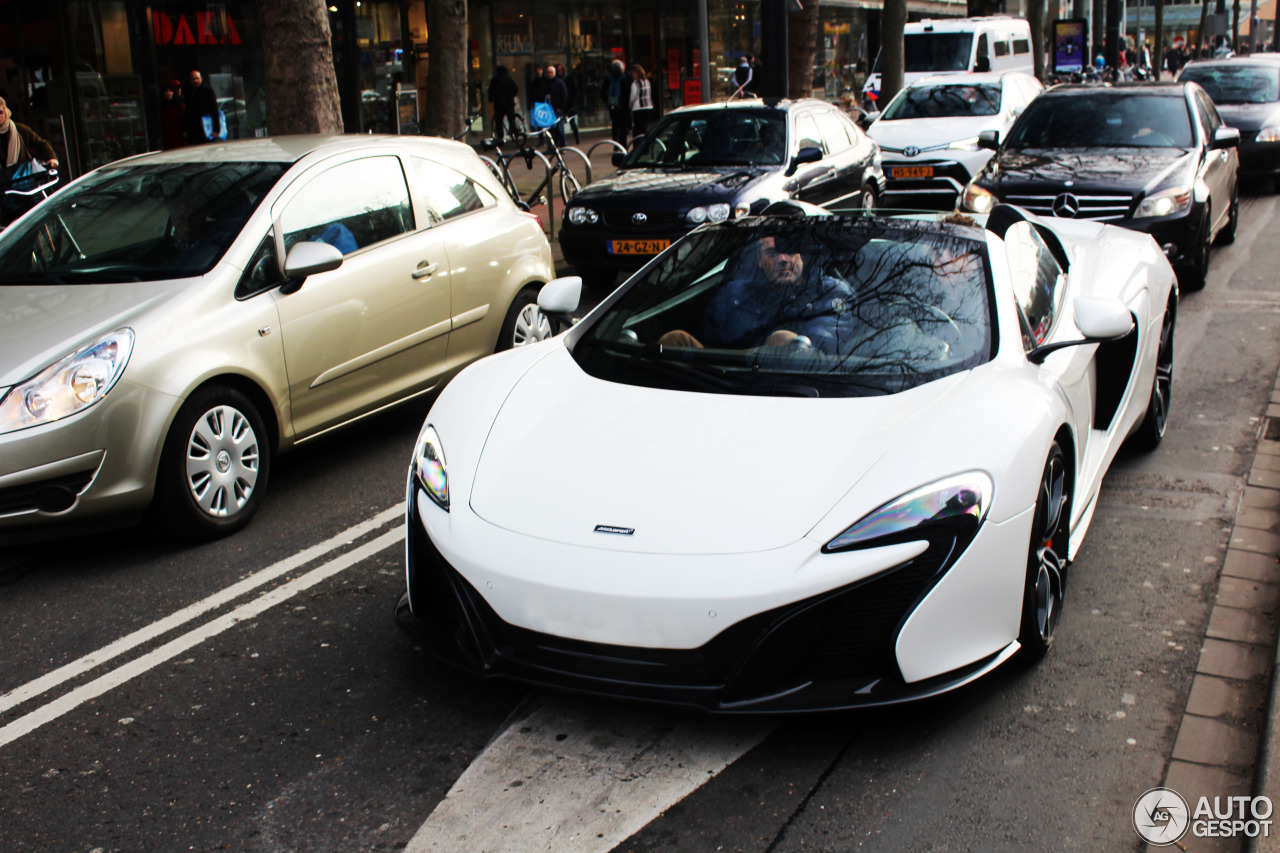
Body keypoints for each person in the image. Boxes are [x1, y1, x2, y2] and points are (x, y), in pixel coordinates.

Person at [658, 235, 856, 355]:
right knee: (675, 339)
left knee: (784, 340)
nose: (783, 259)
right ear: (760, 261)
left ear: (801, 254)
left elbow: (822, 353)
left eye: (789, 251)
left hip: (788, 389)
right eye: (772, 253)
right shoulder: (734, 293)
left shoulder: (832, 294)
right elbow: (707, 344)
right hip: (719, 381)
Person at [0, 96, 58, 174]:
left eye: (0, 112)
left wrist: (52, 159)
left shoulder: (19, 129)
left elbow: (41, 144)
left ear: (5, 111)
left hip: (22, 178)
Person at [600, 59, 632, 161]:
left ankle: (615, 145)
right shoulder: (626, 78)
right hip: (623, 106)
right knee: (623, 126)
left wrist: (607, 102)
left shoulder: (608, 78)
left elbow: (602, 92)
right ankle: (623, 145)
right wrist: (626, 105)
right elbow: (628, 94)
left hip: (612, 106)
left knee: (615, 125)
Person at [532, 64, 568, 148]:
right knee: (550, 129)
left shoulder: (560, 83)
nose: (549, 74)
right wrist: (545, 97)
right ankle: (551, 145)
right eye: (548, 72)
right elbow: (538, 95)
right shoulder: (544, 84)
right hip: (548, 110)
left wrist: (561, 107)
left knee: (559, 128)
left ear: (554, 73)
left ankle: (563, 145)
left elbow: (564, 95)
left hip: (557, 109)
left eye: (551, 72)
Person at [183, 69, 220, 145]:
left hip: (207, 127)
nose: (195, 81)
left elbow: (214, 110)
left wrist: (216, 129)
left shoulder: (208, 92)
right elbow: (186, 113)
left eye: (197, 78)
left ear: (201, 78)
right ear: (190, 80)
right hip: (193, 129)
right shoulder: (189, 93)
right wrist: (185, 129)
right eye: (193, 79)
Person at [487, 65, 519, 144]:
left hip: (499, 104)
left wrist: (491, 99)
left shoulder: (495, 80)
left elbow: (491, 91)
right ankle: (514, 132)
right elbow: (515, 89)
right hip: (509, 103)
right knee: (511, 119)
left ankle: (500, 137)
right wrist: (511, 96)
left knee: (499, 121)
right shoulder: (509, 79)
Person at [629, 64, 654, 139]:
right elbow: (649, 93)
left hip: (638, 108)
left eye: (633, 73)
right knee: (644, 127)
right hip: (648, 106)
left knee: (637, 128)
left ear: (637, 73)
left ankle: (637, 144)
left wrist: (630, 106)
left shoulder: (635, 83)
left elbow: (633, 96)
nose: (633, 75)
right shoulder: (647, 81)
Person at [159, 79, 186, 150]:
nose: (168, 93)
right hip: (167, 138)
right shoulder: (162, 107)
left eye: (170, 91)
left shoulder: (180, 105)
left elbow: (184, 120)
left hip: (179, 137)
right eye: (166, 91)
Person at [557, 63, 580, 145]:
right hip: (562, 104)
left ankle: (577, 138)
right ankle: (560, 140)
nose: (559, 72)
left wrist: (572, 101)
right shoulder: (558, 80)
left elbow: (574, 90)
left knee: (572, 122)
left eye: (560, 70)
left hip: (569, 104)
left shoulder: (568, 78)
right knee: (559, 124)